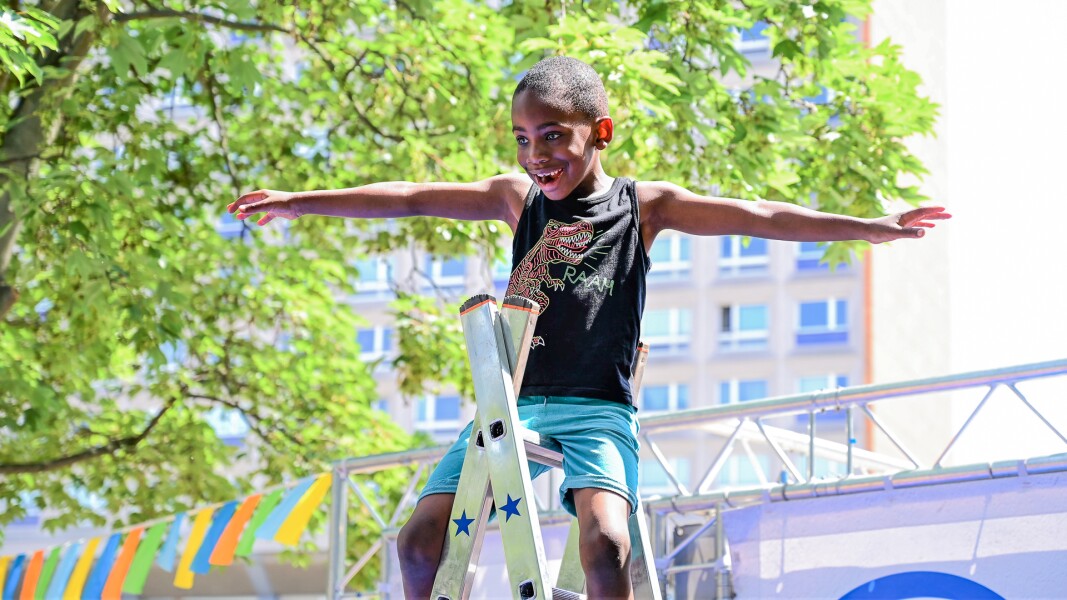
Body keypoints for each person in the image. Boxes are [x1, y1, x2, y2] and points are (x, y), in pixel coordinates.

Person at [228, 56, 949, 599]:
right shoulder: (516, 200)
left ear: (598, 132)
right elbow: (411, 198)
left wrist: (870, 227)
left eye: (552, 135)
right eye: (520, 138)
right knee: (418, 543)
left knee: (604, 542)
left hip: (595, 409)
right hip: (508, 405)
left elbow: (758, 215)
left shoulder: (644, 207)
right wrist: (300, 200)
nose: (535, 154)